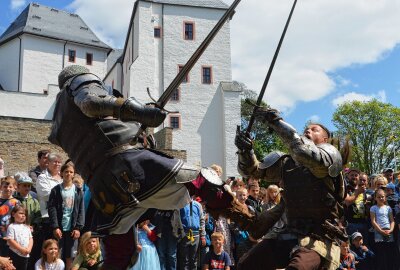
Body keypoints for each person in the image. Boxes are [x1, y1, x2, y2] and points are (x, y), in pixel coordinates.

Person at [50, 65, 244, 269]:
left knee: (120, 255)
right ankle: (249, 220)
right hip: (127, 163)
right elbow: (91, 103)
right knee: (203, 180)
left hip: (104, 189)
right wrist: (141, 113)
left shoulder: (61, 119)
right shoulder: (77, 85)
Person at [234, 108, 348, 270]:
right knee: (246, 265)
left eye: (315, 129)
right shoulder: (287, 162)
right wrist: (246, 150)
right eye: (306, 129)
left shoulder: (330, 157)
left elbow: (303, 152)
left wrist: (274, 121)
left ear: (325, 139)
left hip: (318, 240)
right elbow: (252, 171)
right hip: (287, 233)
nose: (308, 130)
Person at [48, 162, 85, 269]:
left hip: (72, 229)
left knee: (70, 256)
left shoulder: (78, 191)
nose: (68, 174)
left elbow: (81, 210)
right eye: (66, 172)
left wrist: (78, 227)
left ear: (74, 174)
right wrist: (55, 227)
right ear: (62, 173)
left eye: (71, 172)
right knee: (56, 254)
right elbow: (52, 209)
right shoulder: (56, 190)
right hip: (59, 228)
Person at [14, 172, 42, 269]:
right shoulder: (14, 200)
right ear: (18, 186)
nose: (27, 188)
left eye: (29, 186)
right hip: (17, 233)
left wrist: (33, 225)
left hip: (30, 233)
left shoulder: (34, 201)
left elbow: (38, 216)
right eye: (24, 185)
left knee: (30, 255)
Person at [369, 188, 399, 270]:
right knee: (381, 254)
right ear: (375, 198)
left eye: (382, 197)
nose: (381, 198)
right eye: (378, 197)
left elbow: (392, 220)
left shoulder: (388, 208)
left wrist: (391, 230)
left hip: (389, 231)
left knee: (389, 253)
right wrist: (381, 231)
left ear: (385, 197)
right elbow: (373, 221)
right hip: (379, 232)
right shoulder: (373, 208)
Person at [36, 153, 63, 241]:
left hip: (63, 216)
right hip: (48, 217)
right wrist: (65, 195)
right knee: (50, 244)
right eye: (55, 162)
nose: (57, 164)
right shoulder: (42, 178)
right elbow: (46, 195)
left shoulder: (63, 177)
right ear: (48, 163)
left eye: (59, 162)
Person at [6, 205, 33, 270]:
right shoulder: (11, 226)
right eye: (21, 213)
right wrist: (21, 249)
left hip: (25, 254)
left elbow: (31, 238)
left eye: (25, 214)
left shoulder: (27, 227)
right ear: (13, 214)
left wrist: (29, 249)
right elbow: (10, 240)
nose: (23, 215)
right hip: (14, 253)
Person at [0, 176, 20, 257]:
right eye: (5, 186)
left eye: (10, 187)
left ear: (14, 188)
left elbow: (20, 218)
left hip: (12, 236)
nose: (7, 189)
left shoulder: (16, 202)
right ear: (1, 187)